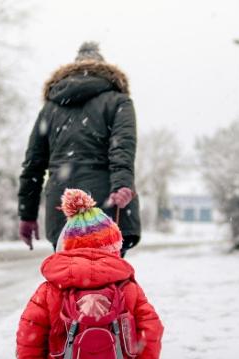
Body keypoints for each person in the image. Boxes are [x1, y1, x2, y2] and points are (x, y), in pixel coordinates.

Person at [0, 189, 202, 359]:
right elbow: (151, 334)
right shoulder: (128, 289)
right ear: (114, 246)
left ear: (66, 246)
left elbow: (27, 343)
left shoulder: (49, 290)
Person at [18, 42, 141, 256]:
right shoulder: (118, 101)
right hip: (106, 204)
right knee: (108, 279)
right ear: (104, 68)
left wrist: (27, 215)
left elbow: (33, 165)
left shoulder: (50, 108)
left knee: (68, 278)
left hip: (62, 206)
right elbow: (122, 149)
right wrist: (122, 185)